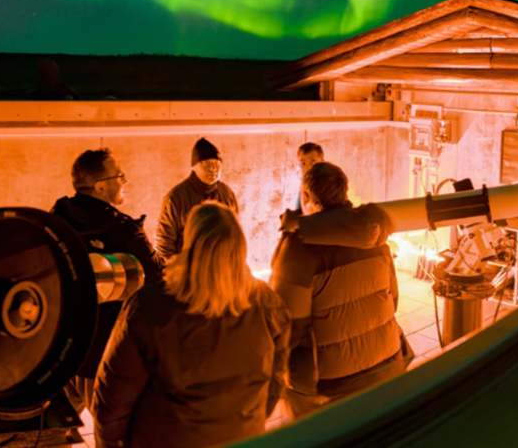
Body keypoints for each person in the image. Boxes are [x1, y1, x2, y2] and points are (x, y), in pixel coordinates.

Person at [94, 202, 290, 448]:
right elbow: (274, 384)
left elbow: (111, 404)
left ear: (189, 245)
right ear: (240, 247)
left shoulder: (149, 308)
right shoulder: (268, 304)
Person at [269, 162, 407, 418]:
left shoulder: (298, 248)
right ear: (345, 192)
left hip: (334, 382)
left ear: (308, 197)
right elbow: (394, 300)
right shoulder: (377, 237)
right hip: (388, 362)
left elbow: (289, 328)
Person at [52, 149, 165, 412]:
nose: (124, 182)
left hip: (59, 355)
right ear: (101, 187)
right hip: (101, 359)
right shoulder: (125, 231)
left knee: (53, 435)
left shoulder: (55, 220)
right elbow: (157, 286)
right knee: (113, 433)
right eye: (120, 176)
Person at [155, 138, 238, 260]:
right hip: (189, 271)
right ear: (193, 166)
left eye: (217, 164)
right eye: (206, 164)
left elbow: (235, 235)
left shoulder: (227, 193)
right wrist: (174, 274)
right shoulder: (176, 198)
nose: (213, 169)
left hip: (222, 268)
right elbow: (164, 244)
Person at [291, 142, 324, 213]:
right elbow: (299, 210)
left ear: (322, 161)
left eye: (312, 163)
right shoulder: (303, 182)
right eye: (303, 163)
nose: (307, 168)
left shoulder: (332, 182)